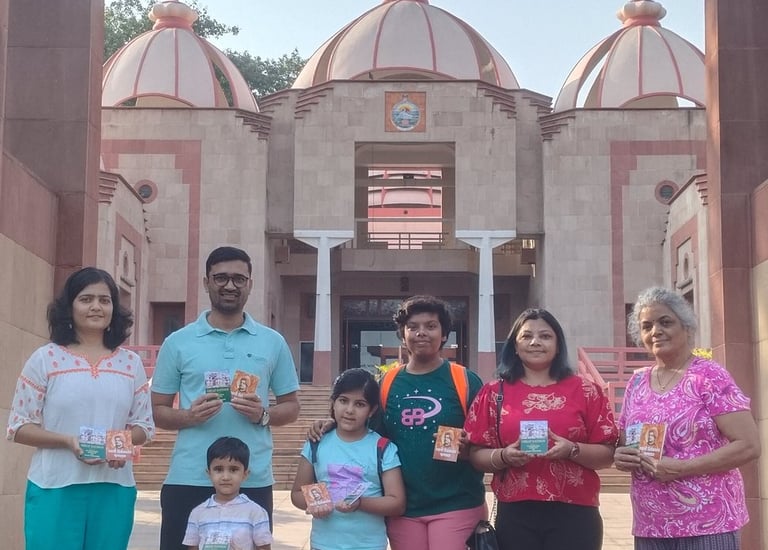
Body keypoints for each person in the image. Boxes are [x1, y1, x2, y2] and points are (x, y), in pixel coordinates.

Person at [151, 246, 301, 550]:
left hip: (251, 478)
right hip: (190, 477)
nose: (230, 286)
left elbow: (292, 406)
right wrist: (188, 416)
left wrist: (264, 414)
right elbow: (157, 411)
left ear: (250, 284)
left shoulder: (272, 342)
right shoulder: (178, 342)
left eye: (238, 278)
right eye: (220, 278)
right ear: (206, 282)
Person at [310, 295, 486, 550]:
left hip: (457, 502)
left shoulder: (465, 380)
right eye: (413, 327)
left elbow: (487, 437)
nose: (421, 333)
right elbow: (367, 434)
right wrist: (332, 424)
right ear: (403, 335)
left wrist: (470, 448)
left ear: (444, 334)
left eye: (431, 326)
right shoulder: (387, 384)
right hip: (403, 506)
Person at [6, 267, 154, 550]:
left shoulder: (129, 363)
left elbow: (145, 426)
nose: (96, 306)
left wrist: (116, 444)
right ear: (69, 307)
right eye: (86, 299)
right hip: (54, 486)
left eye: (105, 299)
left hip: (114, 487)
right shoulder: (46, 359)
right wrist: (68, 441)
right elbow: (18, 427)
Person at [614, 287, 760, 549]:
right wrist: (622, 455)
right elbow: (626, 442)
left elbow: (749, 445)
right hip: (651, 525)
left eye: (665, 322)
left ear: (686, 327)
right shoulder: (637, 382)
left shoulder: (709, 376)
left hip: (708, 522)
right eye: (646, 326)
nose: (655, 331)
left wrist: (682, 468)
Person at [464, 308, 618, 550]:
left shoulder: (586, 391)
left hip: (576, 510)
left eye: (545, 336)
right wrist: (503, 456)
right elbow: (475, 454)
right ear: (514, 346)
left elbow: (608, 453)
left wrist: (572, 450)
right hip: (516, 512)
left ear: (558, 345)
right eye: (526, 336)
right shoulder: (494, 393)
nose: (535, 342)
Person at [292, 368, 406, 550]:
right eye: (343, 401)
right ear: (333, 402)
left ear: (372, 410)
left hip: (369, 545)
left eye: (360, 404)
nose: (349, 410)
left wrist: (360, 503)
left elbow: (397, 503)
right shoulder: (316, 443)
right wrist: (316, 503)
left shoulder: (383, 448)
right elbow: (297, 493)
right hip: (323, 544)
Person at [183, 436, 272, 550]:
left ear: (245, 474)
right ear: (209, 473)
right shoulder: (198, 513)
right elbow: (192, 547)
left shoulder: (255, 512)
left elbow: (264, 547)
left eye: (233, 470)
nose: (225, 477)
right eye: (218, 469)